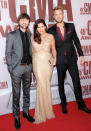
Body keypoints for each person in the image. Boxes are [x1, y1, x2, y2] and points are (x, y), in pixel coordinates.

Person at [48, 6, 91, 114]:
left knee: (76, 82)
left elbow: (76, 41)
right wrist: (51, 59)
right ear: (54, 16)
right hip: (60, 61)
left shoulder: (70, 26)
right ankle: (63, 104)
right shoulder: (51, 30)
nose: (58, 16)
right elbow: (49, 47)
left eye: (60, 14)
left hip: (72, 59)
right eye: (56, 14)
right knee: (60, 83)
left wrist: (81, 55)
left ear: (63, 14)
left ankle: (81, 104)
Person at [5, 13, 35, 130]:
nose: (24, 22)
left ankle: (26, 112)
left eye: (26, 20)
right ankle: (16, 116)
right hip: (17, 69)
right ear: (19, 22)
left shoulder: (29, 35)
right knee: (16, 94)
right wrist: (11, 68)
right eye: (22, 20)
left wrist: (32, 66)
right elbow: (8, 53)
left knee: (27, 92)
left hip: (28, 68)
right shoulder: (12, 35)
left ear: (28, 22)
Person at [31, 19, 56, 124]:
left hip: (48, 63)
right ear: (36, 28)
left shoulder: (50, 36)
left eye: (42, 26)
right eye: (38, 27)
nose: (41, 29)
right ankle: (41, 113)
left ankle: (47, 110)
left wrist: (55, 59)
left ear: (45, 27)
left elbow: (53, 49)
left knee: (46, 85)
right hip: (37, 63)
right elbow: (32, 52)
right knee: (41, 85)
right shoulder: (32, 37)